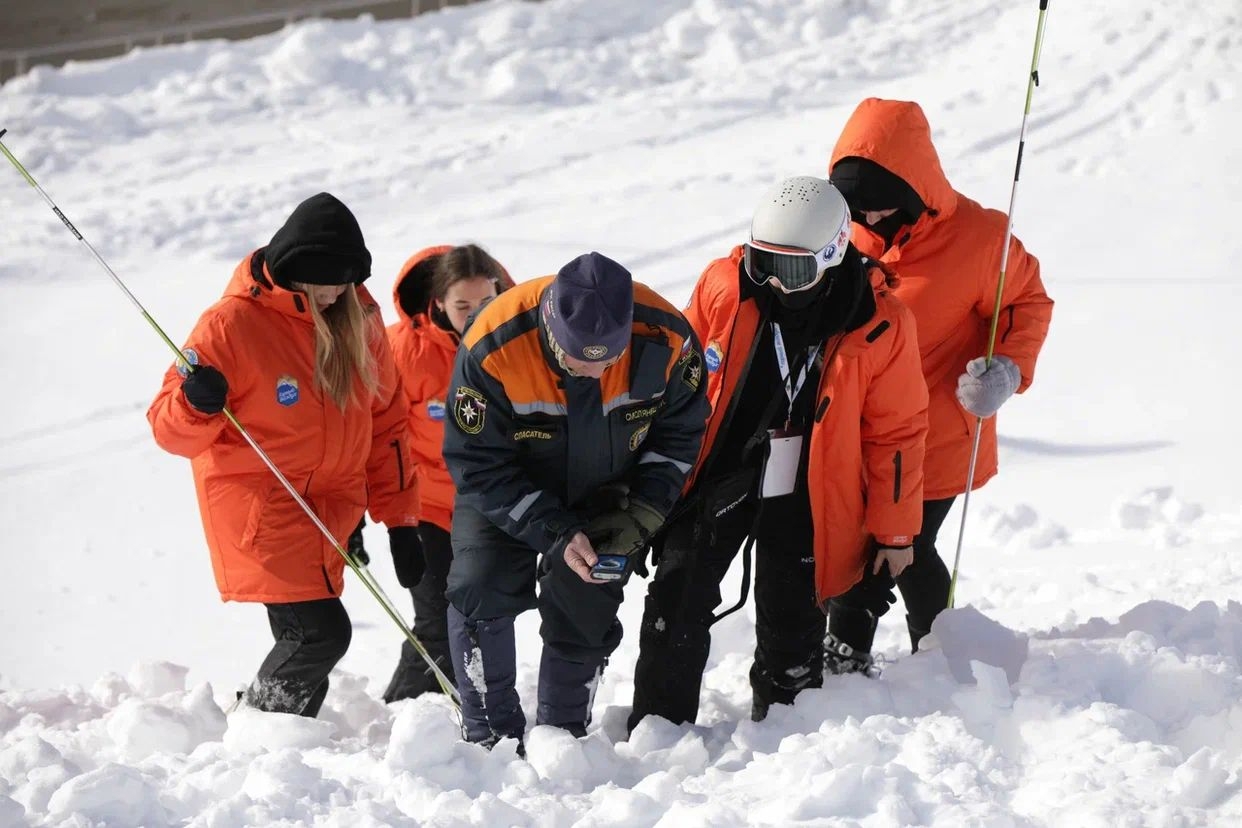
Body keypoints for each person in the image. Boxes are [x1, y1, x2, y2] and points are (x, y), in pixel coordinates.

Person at [628, 176, 929, 729]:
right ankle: (659, 732)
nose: (775, 283)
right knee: (676, 595)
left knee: (793, 617)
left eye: (794, 269)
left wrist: (896, 531)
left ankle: (785, 737)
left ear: (836, 252)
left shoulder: (881, 322)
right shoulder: (726, 287)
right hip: (725, 469)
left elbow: (898, 434)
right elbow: (675, 387)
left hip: (811, 487)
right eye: (763, 261)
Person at [147, 192, 421, 718]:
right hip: (265, 507)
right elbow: (167, 430)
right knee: (321, 636)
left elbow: (387, 422)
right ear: (294, 271)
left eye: (346, 280)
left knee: (306, 652)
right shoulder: (231, 325)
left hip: (330, 511)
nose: (336, 292)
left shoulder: (358, 314)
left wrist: (400, 519)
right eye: (326, 281)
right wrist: (194, 402)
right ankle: (255, 727)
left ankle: (282, 749)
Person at [442, 251, 709, 749]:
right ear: (550, 330)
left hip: (607, 486)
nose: (591, 372)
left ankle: (562, 734)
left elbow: (680, 434)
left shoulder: (669, 339)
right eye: (574, 362)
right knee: (480, 586)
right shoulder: (494, 343)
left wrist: (644, 511)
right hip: (509, 484)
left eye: (607, 362)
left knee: (589, 589)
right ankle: (488, 737)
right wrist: (554, 531)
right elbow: (475, 460)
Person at [826, 97, 1054, 669]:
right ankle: (929, 647)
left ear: (913, 190)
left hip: (938, 434)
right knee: (858, 539)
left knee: (903, 546)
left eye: (881, 208)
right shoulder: (841, 234)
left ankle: (880, 650)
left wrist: (1006, 368)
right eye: (858, 209)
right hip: (858, 434)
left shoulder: (981, 239)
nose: (870, 221)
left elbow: (1028, 303)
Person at [378, 243, 512, 702]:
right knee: (437, 621)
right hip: (426, 511)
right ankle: (403, 715)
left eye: (486, 303)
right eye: (462, 306)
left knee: (479, 619)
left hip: (488, 509)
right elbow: (374, 429)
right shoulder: (402, 350)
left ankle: (463, 715)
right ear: (437, 303)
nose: (476, 314)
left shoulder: (513, 342)